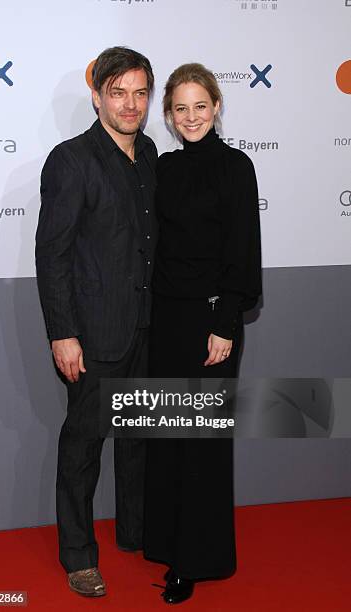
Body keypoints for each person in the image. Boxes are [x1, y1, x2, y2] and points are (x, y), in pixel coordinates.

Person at [35, 46, 157, 597]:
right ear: (97, 96)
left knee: (141, 439)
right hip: (93, 333)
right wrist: (63, 333)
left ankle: (136, 532)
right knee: (83, 447)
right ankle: (79, 555)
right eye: (118, 92)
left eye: (139, 92)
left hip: (148, 328)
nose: (130, 105)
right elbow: (52, 254)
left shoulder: (152, 153)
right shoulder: (71, 159)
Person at [143, 63, 262, 604]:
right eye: (180, 108)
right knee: (169, 437)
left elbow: (241, 249)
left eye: (200, 105)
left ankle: (195, 562)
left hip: (210, 324)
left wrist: (225, 325)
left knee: (202, 445)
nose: (191, 116)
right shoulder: (163, 169)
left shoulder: (236, 167)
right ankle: (168, 544)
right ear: (168, 115)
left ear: (216, 107)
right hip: (166, 320)